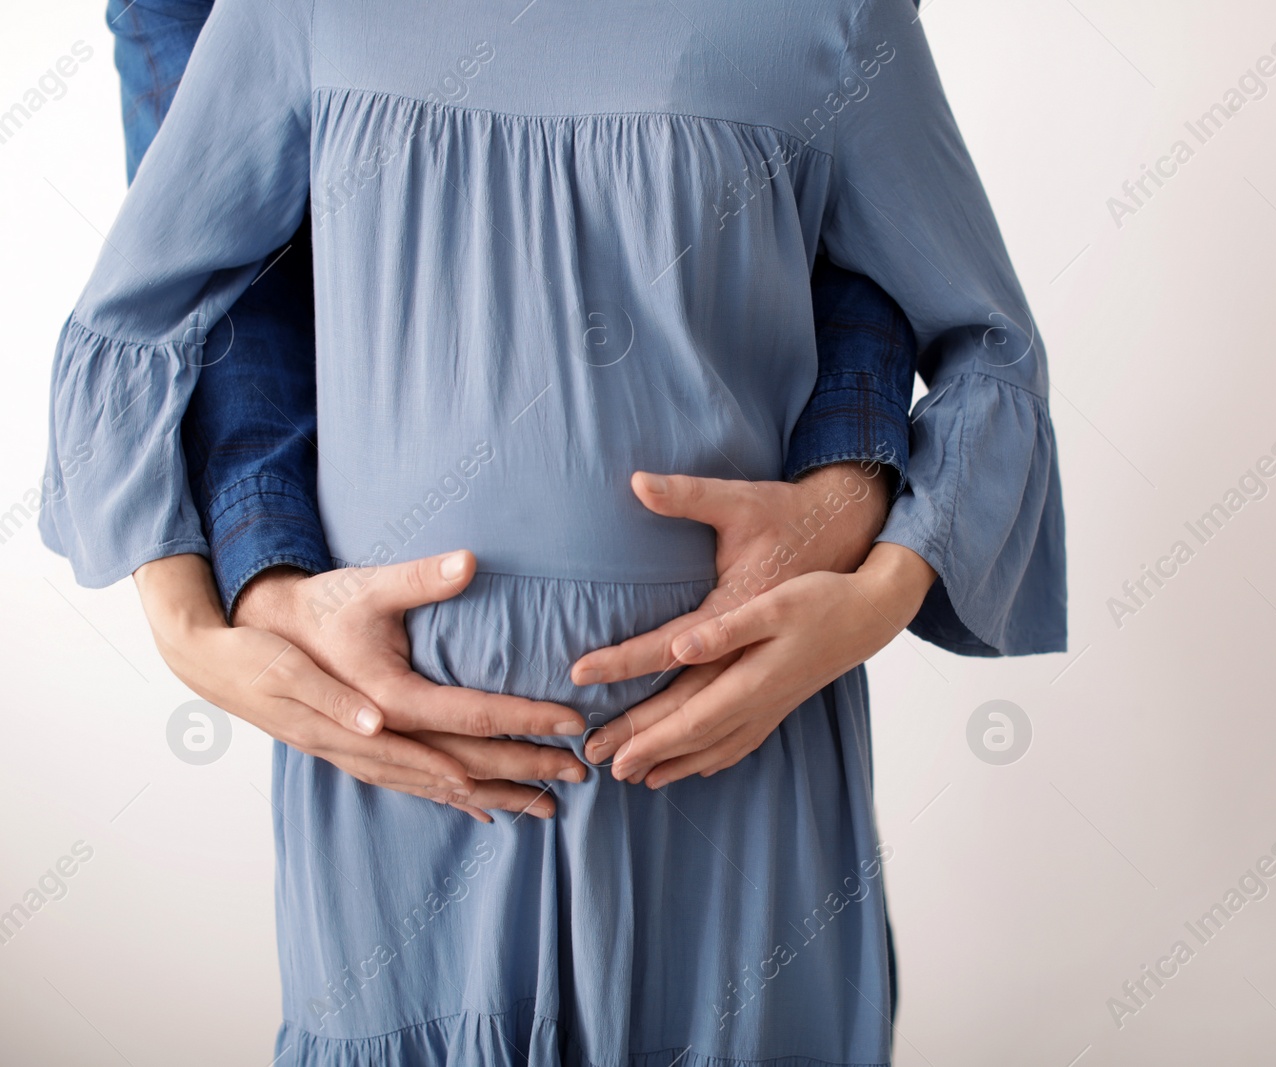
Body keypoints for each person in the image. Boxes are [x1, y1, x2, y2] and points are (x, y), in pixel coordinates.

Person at [43, 1, 1066, 1063]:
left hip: (734, 731)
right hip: (402, 755)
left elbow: (986, 344)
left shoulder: (832, 17)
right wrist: (190, 628)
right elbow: (135, 318)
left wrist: (877, 594)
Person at [106, 0, 922, 822]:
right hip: (383, 733)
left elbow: (870, 236)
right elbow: (187, 296)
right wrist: (222, 609)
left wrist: (853, 522)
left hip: (747, 707)